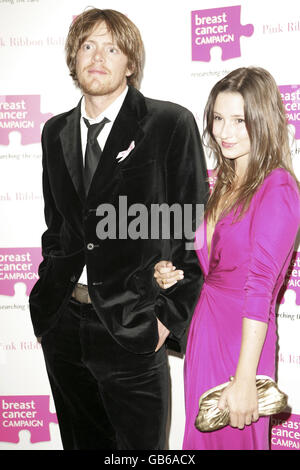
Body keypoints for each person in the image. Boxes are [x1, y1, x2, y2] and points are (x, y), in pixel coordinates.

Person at [29, 8, 208, 450]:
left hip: (133, 326)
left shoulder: (169, 123)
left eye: (113, 48)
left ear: (131, 64)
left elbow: (193, 228)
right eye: (88, 45)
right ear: (74, 58)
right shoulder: (55, 132)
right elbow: (58, 226)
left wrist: (166, 319)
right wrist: (48, 297)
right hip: (64, 324)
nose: (98, 57)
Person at [154, 67, 300, 450]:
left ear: (263, 121)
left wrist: (245, 378)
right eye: (218, 118)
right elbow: (215, 268)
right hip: (205, 334)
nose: (225, 131)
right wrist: (177, 276)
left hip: (241, 343)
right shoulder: (224, 182)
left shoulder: (278, 187)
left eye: (240, 120)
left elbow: (260, 289)